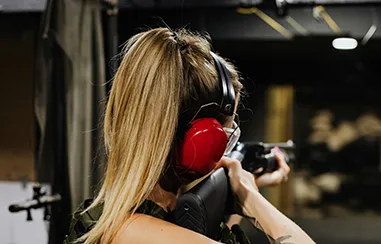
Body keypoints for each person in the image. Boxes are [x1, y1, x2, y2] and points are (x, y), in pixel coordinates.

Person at [64, 27, 316, 244]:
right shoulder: (129, 231)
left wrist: (232, 195)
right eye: (227, 134)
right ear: (204, 140)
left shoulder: (124, 224)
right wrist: (251, 198)